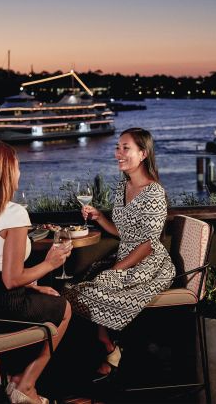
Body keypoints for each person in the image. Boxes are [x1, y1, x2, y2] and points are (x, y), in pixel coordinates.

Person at [0, 141, 72, 404]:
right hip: (3, 305)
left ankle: (16, 381)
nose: (19, 173)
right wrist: (50, 263)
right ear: (7, 172)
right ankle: (25, 386)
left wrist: (33, 287)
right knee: (64, 308)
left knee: (46, 298)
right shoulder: (14, 213)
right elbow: (10, 279)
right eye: (18, 167)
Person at [63, 127, 175, 382]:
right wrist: (99, 217)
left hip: (150, 263)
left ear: (143, 153)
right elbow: (124, 233)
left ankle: (108, 346)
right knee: (76, 287)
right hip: (127, 256)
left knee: (99, 284)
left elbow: (147, 243)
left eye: (126, 148)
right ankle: (108, 346)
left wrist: (118, 268)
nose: (118, 153)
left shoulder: (154, 193)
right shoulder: (122, 186)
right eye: (118, 148)